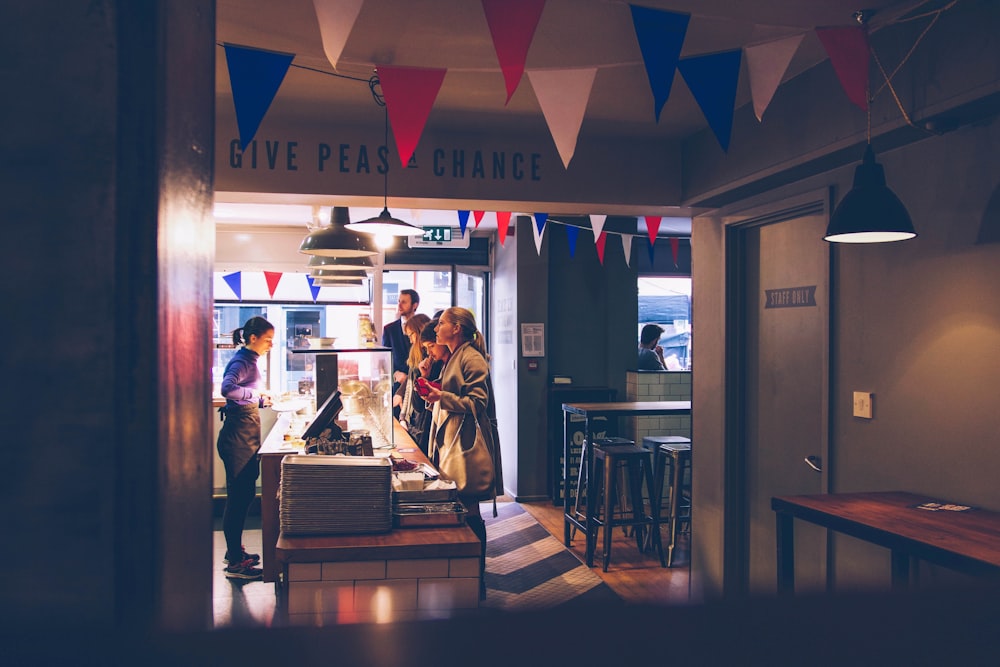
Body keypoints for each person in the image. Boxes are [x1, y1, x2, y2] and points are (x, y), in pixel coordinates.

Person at [424, 307, 504, 599]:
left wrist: (440, 396)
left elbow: (477, 404)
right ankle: (468, 574)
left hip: (465, 444)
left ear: (456, 328)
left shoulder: (471, 357)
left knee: (470, 509)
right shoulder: (454, 356)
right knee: (464, 509)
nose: (436, 329)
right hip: (452, 440)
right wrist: (432, 389)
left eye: (442, 324)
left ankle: (477, 578)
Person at [217, 315, 274, 581]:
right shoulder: (242, 360)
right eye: (268, 340)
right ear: (253, 338)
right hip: (237, 438)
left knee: (244, 494)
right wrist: (256, 395)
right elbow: (228, 389)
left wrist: (262, 400)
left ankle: (234, 552)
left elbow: (243, 395)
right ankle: (236, 564)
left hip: (243, 435)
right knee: (239, 498)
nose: (270, 346)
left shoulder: (249, 359)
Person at [394, 313, 431, 445]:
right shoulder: (417, 354)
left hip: (422, 419)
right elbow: (410, 382)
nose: (410, 340)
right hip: (413, 417)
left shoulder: (429, 358)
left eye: (411, 335)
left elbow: (417, 389)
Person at [382, 289, 420, 412]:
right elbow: (384, 359)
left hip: (418, 387)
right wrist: (394, 373)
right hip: (397, 387)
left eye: (404, 302)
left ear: (415, 305)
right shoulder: (389, 329)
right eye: (399, 301)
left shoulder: (423, 326)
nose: (399, 305)